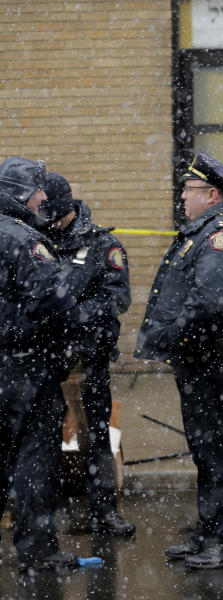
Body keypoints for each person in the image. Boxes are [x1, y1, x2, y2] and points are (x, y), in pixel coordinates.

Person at [134, 152, 223, 569]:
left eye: (188, 191)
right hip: (202, 358)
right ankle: (209, 532)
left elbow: (208, 300)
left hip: (219, 359)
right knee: (206, 449)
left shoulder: (220, 236)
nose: (182, 198)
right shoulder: (203, 230)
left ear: (211, 194)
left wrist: (170, 334)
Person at [38, 172, 134, 537]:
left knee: (94, 436)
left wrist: (76, 315)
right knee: (43, 436)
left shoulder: (101, 246)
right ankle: (40, 515)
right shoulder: (35, 239)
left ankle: (104, 511)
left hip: (85, 356)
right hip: (43, 356)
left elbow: (116, 296)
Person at [0, 156, 81, 572]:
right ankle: (38, 551)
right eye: (37, 191)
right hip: (26, 369)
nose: (44, 198)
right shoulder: (23, 240)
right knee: (35, 459)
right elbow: (57, 298)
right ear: (19, 195)